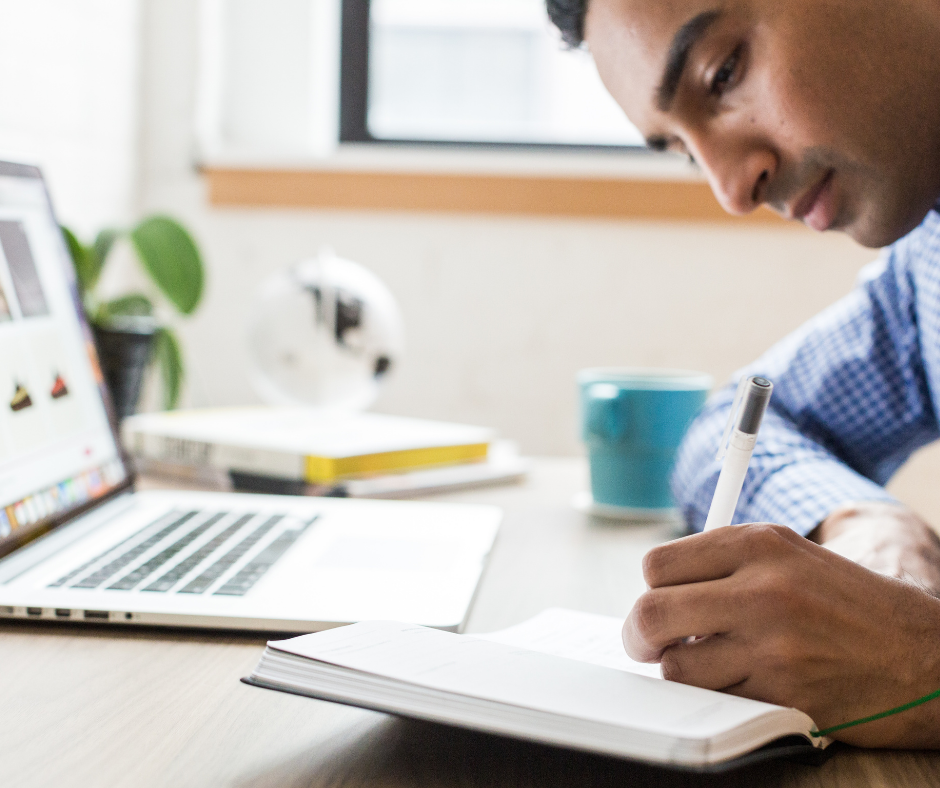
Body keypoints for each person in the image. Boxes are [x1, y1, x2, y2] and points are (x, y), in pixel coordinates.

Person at [547, 0, 940, 747]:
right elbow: (727, 429)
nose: (732, 190)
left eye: (723, 71)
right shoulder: (927, 265)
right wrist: (862, 519)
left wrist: (920, 665)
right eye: (685, 150)